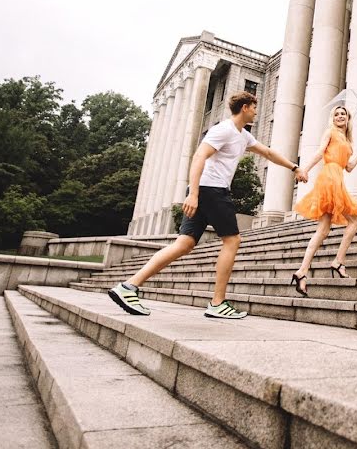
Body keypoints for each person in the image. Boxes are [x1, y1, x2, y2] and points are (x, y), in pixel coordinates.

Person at [109, 91, 307, 318]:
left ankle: (128, 287)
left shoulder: (243, 135)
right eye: (254, 107)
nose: (256, 111)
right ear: (244, 107)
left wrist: (294, 167)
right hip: (211, 190)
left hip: (207, 191)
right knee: (232, 240)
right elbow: (199, 157)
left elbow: (268, 152)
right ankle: (217, 303)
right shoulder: (223, 130)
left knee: (183, 244)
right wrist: (193, 194)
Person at [290, 105, 357, 296]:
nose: (340, 116)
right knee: (355, 219)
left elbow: (348, 167)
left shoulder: (348, 141)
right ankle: (338, 261)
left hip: (338, 177)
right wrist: (304, 169)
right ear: (332, 118)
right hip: (329, 178)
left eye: (343, 114)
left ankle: (302, 272)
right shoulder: (330, 132)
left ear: (348, 119)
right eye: (336, 114)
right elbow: (319, 152)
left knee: (323, 230)